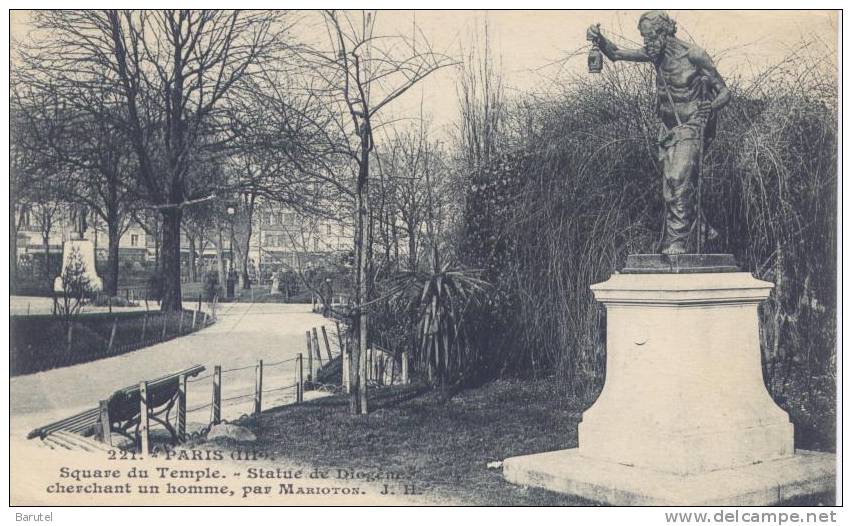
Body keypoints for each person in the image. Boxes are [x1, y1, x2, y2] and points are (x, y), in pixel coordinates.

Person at [587, 11, 731, 254]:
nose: (646, 43)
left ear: (664, 33)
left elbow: (725, 92)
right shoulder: (656, 54)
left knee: (677, 179)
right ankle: (703, 229)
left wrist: (711, 106)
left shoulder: (693, 54)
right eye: (644, 37)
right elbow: (617, 54)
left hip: (693, 125)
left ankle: (677, 242)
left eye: (650, 36)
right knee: (672, 186)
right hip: (668, 130)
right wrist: (599, 40)